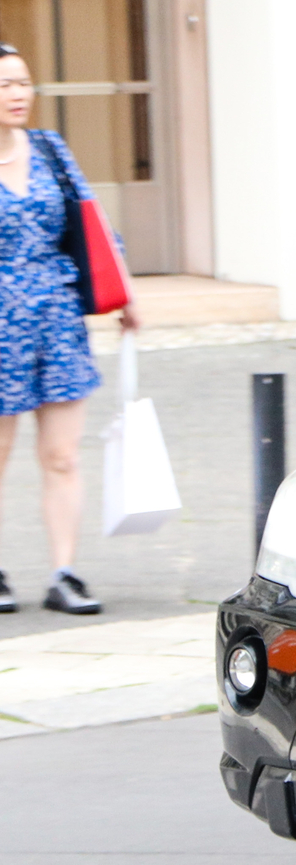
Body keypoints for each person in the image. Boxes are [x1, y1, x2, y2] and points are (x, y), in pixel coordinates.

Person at [0, 43, 139, 614]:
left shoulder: (50, 148)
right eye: (5, 85)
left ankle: (65, 573)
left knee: (62, 455)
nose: (17, 95)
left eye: (22, 82)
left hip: (56, 320)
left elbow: (94, 223)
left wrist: (124, 292)